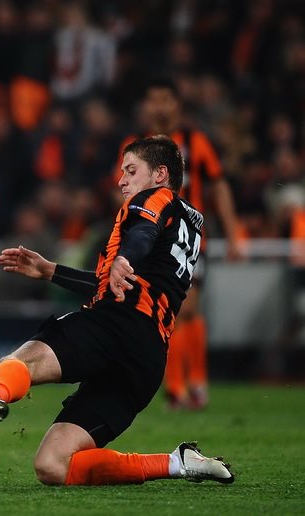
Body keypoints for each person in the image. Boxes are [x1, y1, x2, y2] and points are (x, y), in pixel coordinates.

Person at [0, 136, 235, 486]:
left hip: (115, 325)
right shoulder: (192, 225)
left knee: (21, 362)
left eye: (131, 170)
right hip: (147, 358)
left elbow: (142, 235)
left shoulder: (156, 198)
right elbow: (122, 283)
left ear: (160, 174)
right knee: (52, 465)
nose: (121, 180)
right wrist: (52, 271)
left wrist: (125, 257)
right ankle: (177, 463)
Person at [115, 77, 242, 410]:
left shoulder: (195, 142)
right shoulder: (134, 145)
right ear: (145, 106)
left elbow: (218, 186)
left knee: (189, 307)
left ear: (177, 105)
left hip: (187, 236)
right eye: (153, 99)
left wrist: (233, 233)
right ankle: (182, 387)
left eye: (165, 99)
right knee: (167, 310)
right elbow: (122, 189)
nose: (159, 106)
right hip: (149, 239)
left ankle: (189, 386)